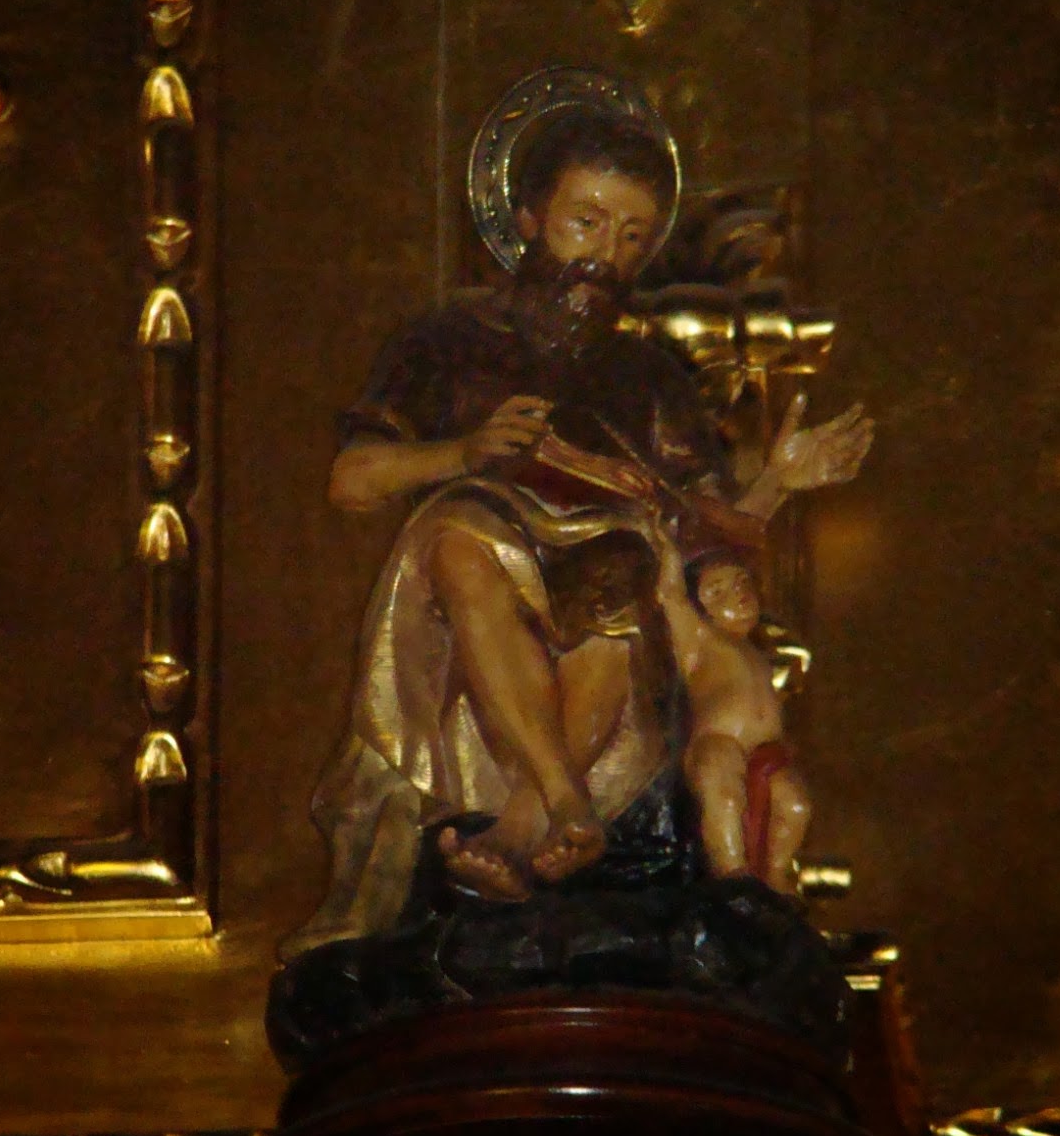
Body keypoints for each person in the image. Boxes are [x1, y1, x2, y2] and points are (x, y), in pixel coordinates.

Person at [283, 108, 871, 956]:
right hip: (467, 594)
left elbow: (704, 529)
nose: (605, 256)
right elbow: (353, 480)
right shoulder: (445, 343)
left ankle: (530, 830)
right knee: (459, 531)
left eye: (632, 238)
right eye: (585, 222)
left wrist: (781, 478)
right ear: (527, 219)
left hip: (611, 593)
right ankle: (563, 798)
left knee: (619, 575)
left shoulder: (647, 377)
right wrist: (463, 452)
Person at [646, 518, 810, 891]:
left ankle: (777, 881)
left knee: (795, 805)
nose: (739, 594)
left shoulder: (759, 650)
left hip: (767, 751)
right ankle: (732, 876)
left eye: (742, 583)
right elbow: (671, 594)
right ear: (700, 609)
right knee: (724, 796)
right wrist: (665, 546)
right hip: (719, 742)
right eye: (718, 591)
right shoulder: (700, 641)